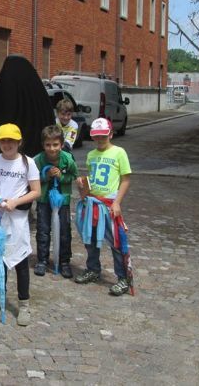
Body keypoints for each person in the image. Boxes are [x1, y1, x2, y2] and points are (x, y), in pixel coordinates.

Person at [0, 124, 40, 326]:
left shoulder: (28, 163)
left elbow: (36, 191)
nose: (6, 144)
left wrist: (16, 202)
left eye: (11, 141)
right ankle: (1, 298)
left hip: (17, 220)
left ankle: (24, 304)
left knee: (20, 261)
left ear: (19, 142)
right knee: (0, 260)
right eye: (3, 141)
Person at [75, 117, 132, 296]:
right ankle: (93, 269)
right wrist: (83, 185)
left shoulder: (119, 153)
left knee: (116, 241)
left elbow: (125, 179)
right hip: (93, 203)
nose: (100, 140)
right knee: (90, 238)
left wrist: (117, 202)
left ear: (111, 135)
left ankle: (123, 278)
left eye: (103, 136)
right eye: (96, 137)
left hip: (109, 205)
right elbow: (92, 180)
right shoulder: (91, 155)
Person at [33, 125, 78, 278]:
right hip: (44, 200)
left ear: (61, 144)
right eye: (48, 145)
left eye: (55, 145)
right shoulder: (38, 159)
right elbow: (33, 179)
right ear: (43, 145)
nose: (51, 149)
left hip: (62, 201)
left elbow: (74, 176)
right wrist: (46, 176)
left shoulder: (67, 159)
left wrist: (61, 177)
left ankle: (64, 261)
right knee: (43, 230)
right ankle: (42, 261)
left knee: (64, 232)